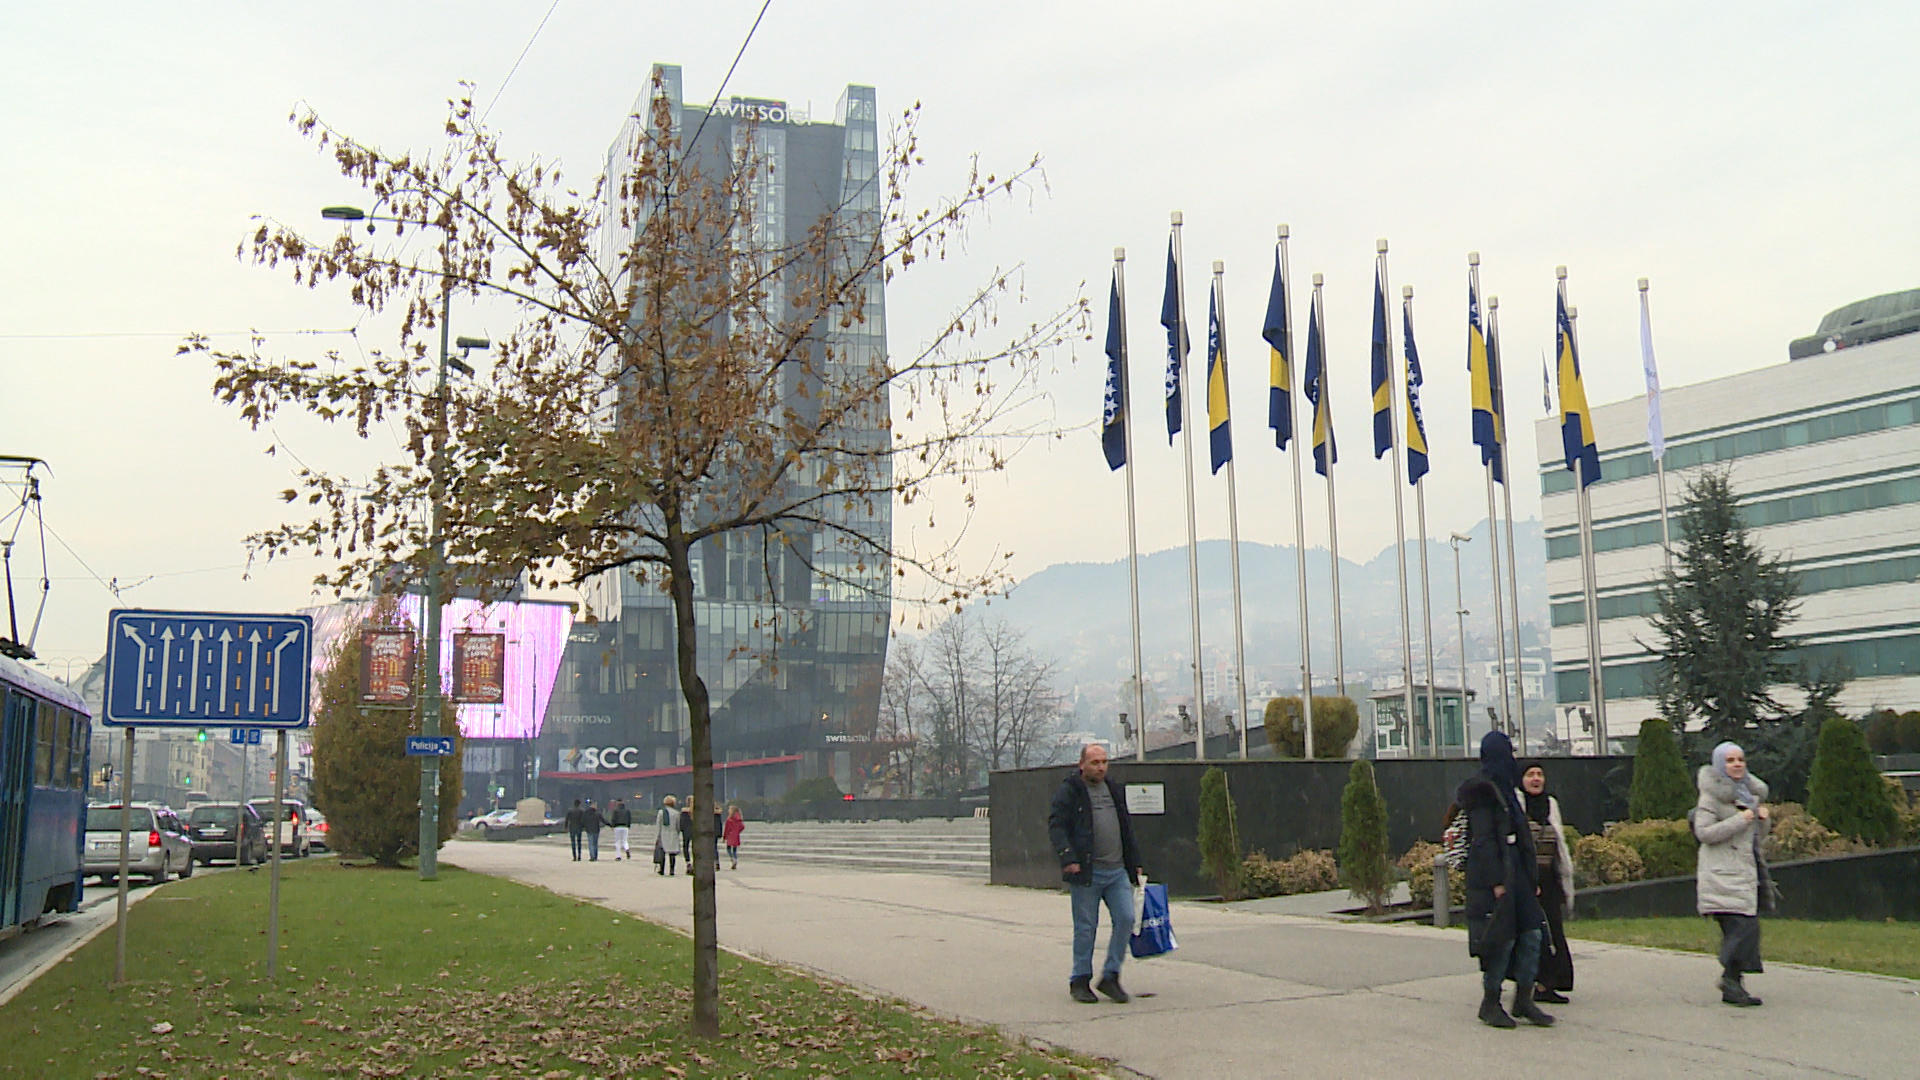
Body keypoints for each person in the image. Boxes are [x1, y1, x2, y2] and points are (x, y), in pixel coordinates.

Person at [1458, 730, 1554, 1028]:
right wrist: (1496, 881)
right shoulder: (1483, 792)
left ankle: (1524, 999)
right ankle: (1490, 1002)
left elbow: (1521, 835)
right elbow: (1484, 842)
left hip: (1518, 875)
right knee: (1502, 940)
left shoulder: (1508, 790)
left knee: (1532, 933)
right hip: (1498, 877)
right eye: (1506, 752)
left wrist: (1530, 876)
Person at [1046, 743, 1143, 1005]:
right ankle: (1080, 980)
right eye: (1094, 762)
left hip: (1117, 871)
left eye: (1104, 762)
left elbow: (1126, 827)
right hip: (1088, 872)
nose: (1100, 767)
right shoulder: (1070, 791)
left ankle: (1110, 975)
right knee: (1086, 928)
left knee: (1126, 919)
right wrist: (1068, 857)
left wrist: (1135, 862)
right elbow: (1056, 826)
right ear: (1082, 765)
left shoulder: (1113, 789)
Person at [1692, 741, 1771, 1007]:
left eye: (1740, 759)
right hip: (1721, 876)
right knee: (1743, 928)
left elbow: (1757, 837)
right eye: (1730, 760)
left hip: (1745, 873)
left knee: (1746, 928)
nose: (1737, 764)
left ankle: (1732, 984)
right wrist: (1742, 819)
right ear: (1719, 765)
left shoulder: (1748, 794)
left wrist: (1761, 819)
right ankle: (1730, 979)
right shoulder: (1710, 797)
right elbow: (1704, 833)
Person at [1521, 763, 1576, 1004]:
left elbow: (1560, 844)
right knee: (1532, 935)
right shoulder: (1517, 806)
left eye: (1540, 774)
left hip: (1550, 878)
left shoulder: (1551, 805)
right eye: (1530, 774)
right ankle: (1530, 983)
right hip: (1526, 880)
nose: (1536, 779)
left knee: (1554, 932)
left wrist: (1564, 878)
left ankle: (1550, 984)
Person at [654, 795, 681, 876]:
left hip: (663, 833)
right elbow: (678, 825)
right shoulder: (676, 813)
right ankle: (672, 870)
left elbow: (658, 825)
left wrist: (657, 837)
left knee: (662, 852)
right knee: (672, 853)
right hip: (673, 833)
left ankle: (662, 870)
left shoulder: (661, 812)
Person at [723, 804, 745, 870]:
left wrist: (724, 837)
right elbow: (742, 826)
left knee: (728, 848)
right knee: (735, 849)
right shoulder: (739, 819)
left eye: (729, 809)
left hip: (730, 835)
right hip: (736, 835)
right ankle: (735, 859)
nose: (728, 811)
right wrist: (738, 831)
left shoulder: (729, 820)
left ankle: (732, 858)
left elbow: (727, 829)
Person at [678, 796, 695, 867]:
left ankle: (688, 862)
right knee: (695, 847)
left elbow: (681, 822)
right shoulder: (697, 812)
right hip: (695, 831)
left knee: (686, 847)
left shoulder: (684, 811)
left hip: (686, 831)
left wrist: (681, 829)